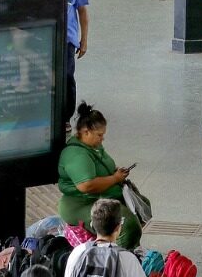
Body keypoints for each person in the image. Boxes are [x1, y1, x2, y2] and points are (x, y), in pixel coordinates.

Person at [57, 101, 142, 251]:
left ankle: (126, 251)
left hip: (102, 197)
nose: (102, 139)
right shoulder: (76, 155)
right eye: (99, 135)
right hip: (82, 203)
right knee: (128, 227)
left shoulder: (94, 146)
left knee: (141, 207)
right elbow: (87, 185)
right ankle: (114, 260)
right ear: (85, 132)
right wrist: (115, 178)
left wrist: (115, 173)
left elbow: (103, 166)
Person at [34, 0, 89, 123]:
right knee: (43, 76)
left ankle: (65, 116)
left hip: (67, 39)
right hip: (43, 38)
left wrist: (84, 40)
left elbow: (82, 11)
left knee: (66, 77)